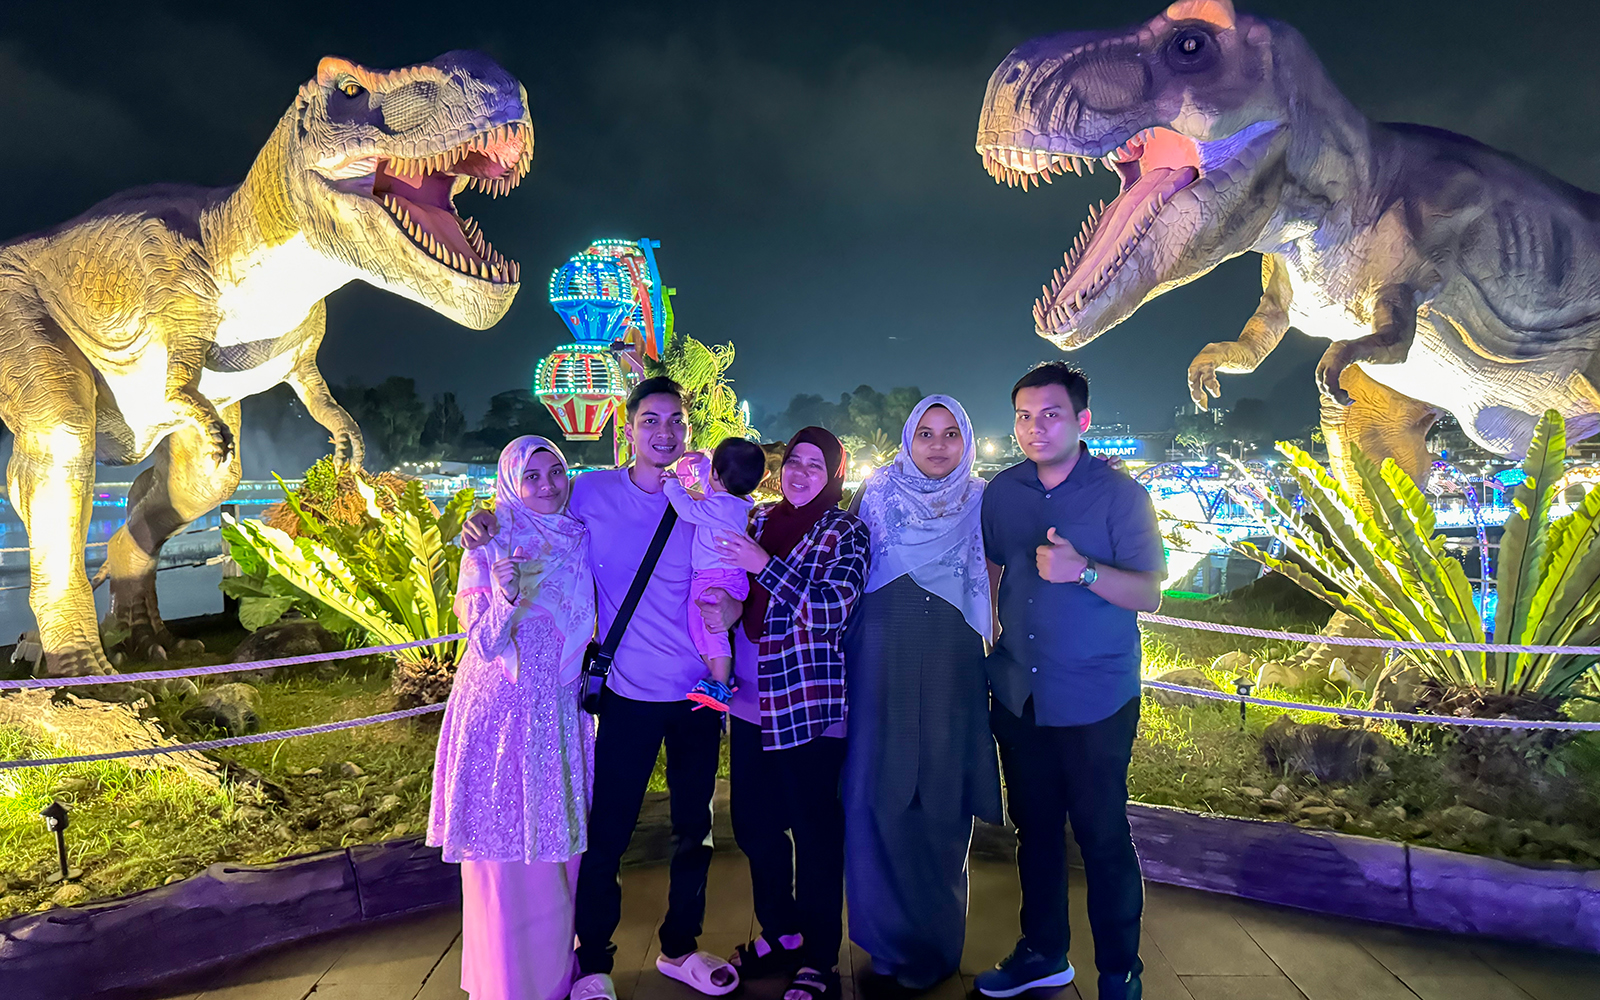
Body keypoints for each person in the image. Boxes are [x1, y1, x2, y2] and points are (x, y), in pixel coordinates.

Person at [461, 377, 742, 1000]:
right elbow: (528, 515)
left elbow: (733, 568)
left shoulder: (705, 499)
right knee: (607, 832)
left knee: (693, 829)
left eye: (675, 421)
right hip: (627, 692)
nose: (663, 433)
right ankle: (595, 964)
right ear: (629, 425)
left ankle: (679, 948)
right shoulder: (591, 491)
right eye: (650, 420)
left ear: (688, 429)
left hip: (697, 689)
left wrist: (730, 612)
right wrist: (480, 525)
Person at [976, 363, 1165, 1000]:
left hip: (1095, 697)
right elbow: (996, 570)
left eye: (1050, 414)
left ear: (1082, 420)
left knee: (1102, 833)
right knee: (1035, 831)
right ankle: (1043, 952)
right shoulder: (1002, 494)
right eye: (1024, 416)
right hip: (1019, 694)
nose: (1035, 427)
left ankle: (1120, 970)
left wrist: (1083, 572)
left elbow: (1149, 594)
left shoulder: (1120, 497)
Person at [842, 395, 1004, 993]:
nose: (938, 446)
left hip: (952, 666)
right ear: (907, 440)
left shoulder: (983, 500)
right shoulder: (877, 495)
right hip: (878, 662)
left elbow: (999, 572)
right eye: (926, 434)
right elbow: (844, 568)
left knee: (941, 799)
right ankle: (884, 945)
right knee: (876, 797)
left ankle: (936, 946)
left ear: (966, 441)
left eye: (950, 434)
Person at [428, 435, 596, 1000]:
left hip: (559, 706)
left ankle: (555, 976)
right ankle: (505, 983)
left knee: (555, 846)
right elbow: (480, 641)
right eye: (533, 477)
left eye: (556, 472)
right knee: (502, 849)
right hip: (500, 713)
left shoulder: (577, 534)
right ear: (510, 482)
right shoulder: (489, 539)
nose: (548, 486)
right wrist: (500, 595)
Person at [712, 427, 870, 1000]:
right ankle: (781, 933)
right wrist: (729, 603)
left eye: (815, 464)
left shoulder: (846, 531)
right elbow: (736, 585)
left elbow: (829, 611)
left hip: (809, 707)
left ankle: (821, 958)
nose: (800, 472)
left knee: (815, 833)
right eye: (794, 461)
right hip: (753, 704)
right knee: (754, 823)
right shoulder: (756, 519)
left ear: (834, 473)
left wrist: (764, 565)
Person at [664, 437, 769, 710]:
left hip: (718, 577)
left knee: (712, 631)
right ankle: (718, 676)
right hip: (716, 576)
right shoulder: (733, 502)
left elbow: (687, 509)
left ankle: (720, 682)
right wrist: (703, 465)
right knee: (699, 629)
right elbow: (712, 489)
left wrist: (671, 484)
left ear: (717, 475)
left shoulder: (722, 507)